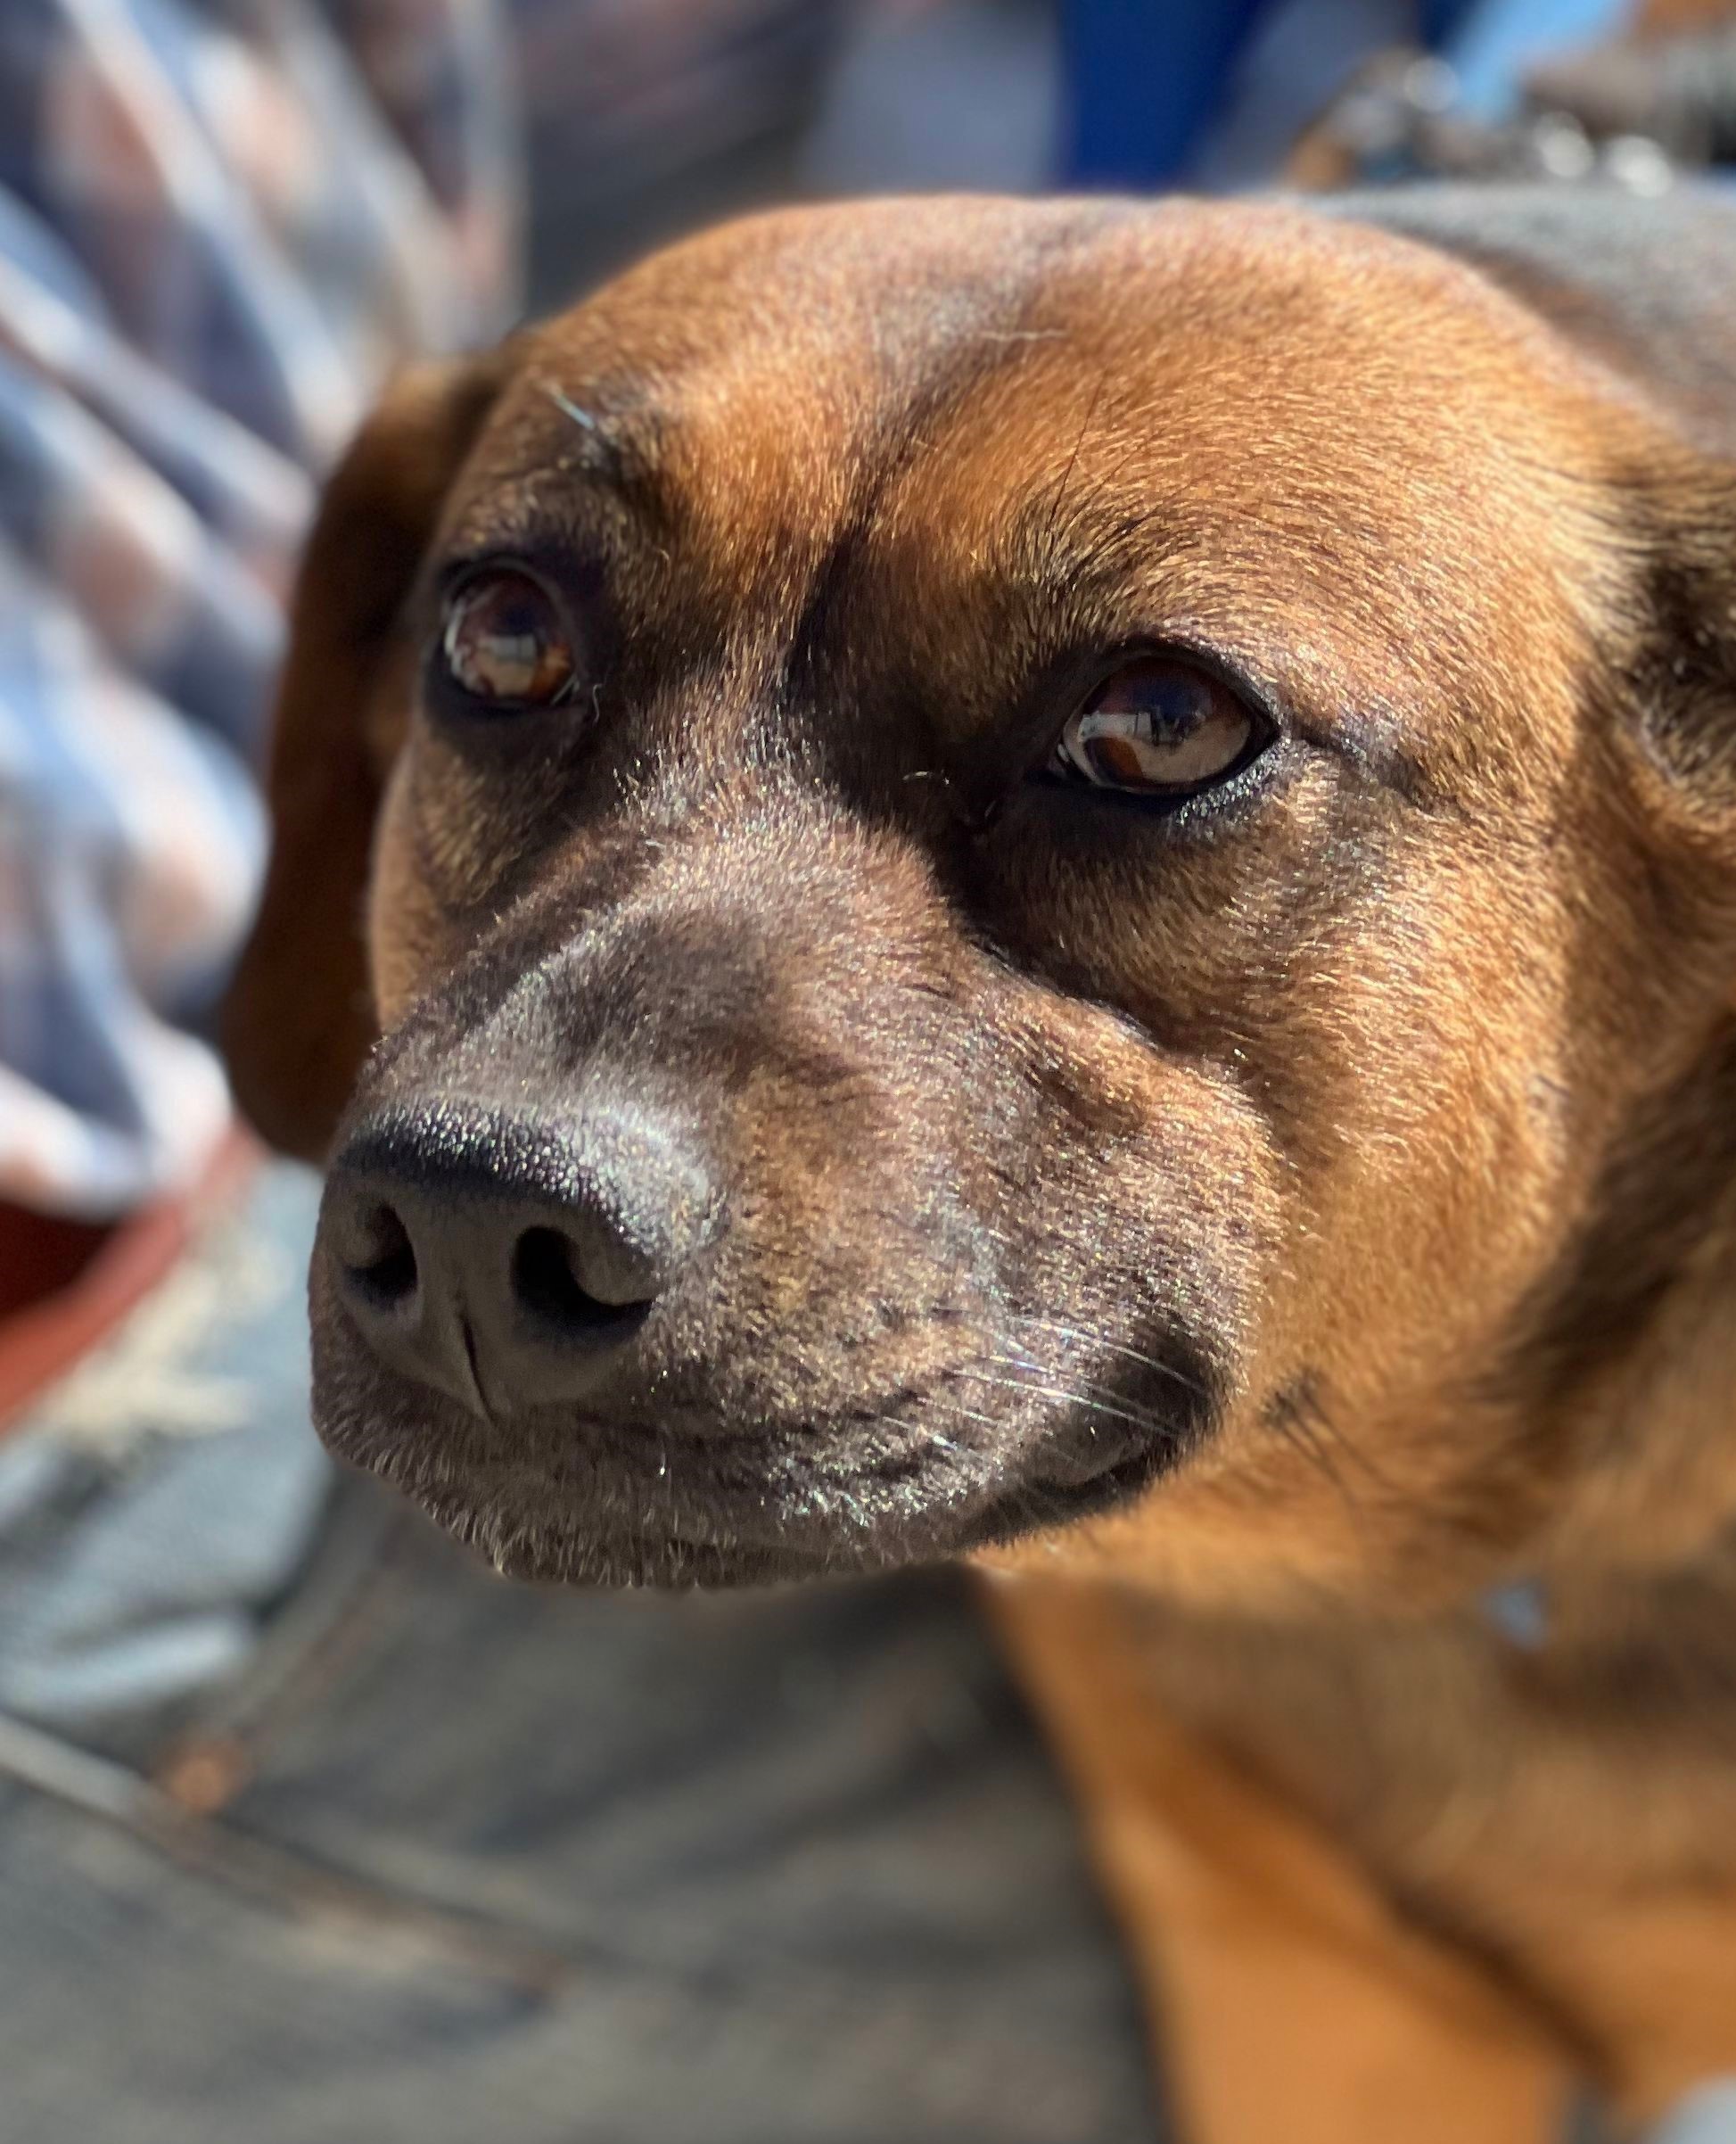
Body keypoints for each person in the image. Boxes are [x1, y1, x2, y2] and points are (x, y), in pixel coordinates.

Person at [0, 7, 1157, 2139]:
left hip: (179, 1200)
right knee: (1508, 1937)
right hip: (86, 1410)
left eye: (1149, 750)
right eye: (517, 650)